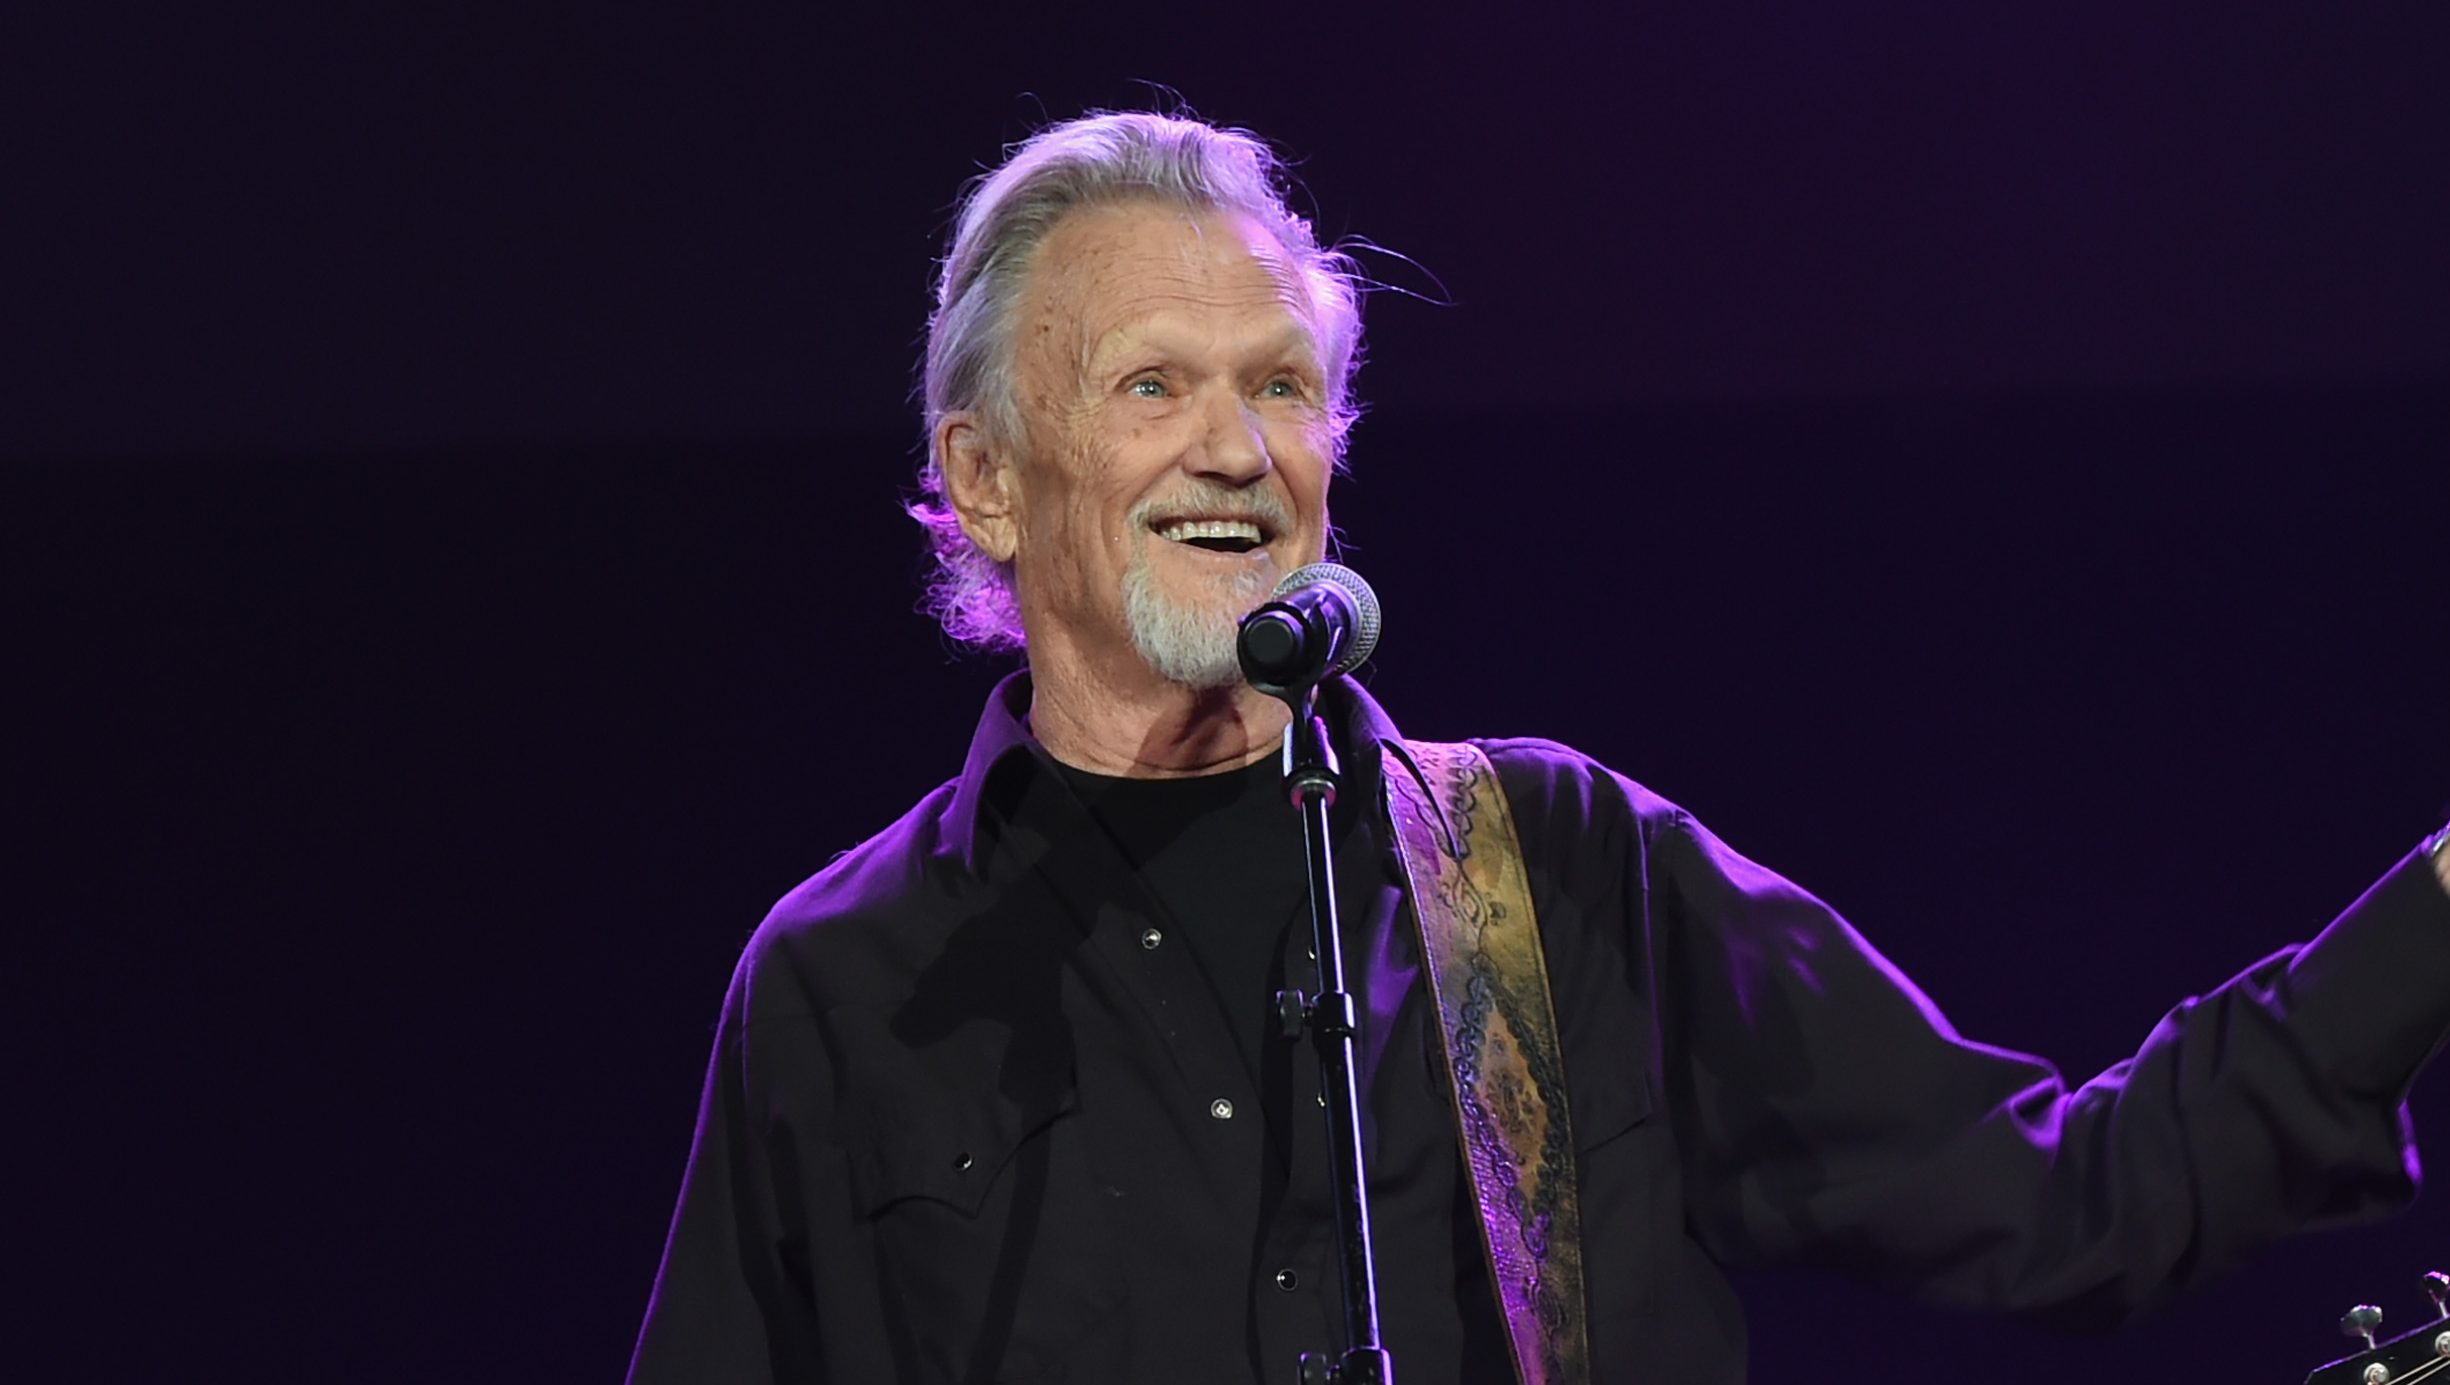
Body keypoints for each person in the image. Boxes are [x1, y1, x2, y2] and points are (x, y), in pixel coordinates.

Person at [625, 111, 2450, 1384]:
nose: (1236, 448)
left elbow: (2065, 1198)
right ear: (985, 480)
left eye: (1278, 384)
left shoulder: (1552, 864)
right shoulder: (848, 983)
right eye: (1152, 384)